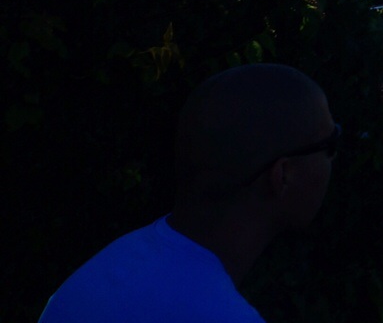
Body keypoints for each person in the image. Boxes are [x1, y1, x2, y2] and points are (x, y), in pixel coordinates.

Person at [40, 64, 338, 323]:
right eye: (329, 144)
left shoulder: (110, 269)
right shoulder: (221, 316)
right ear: (282, 175)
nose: (333, 160)